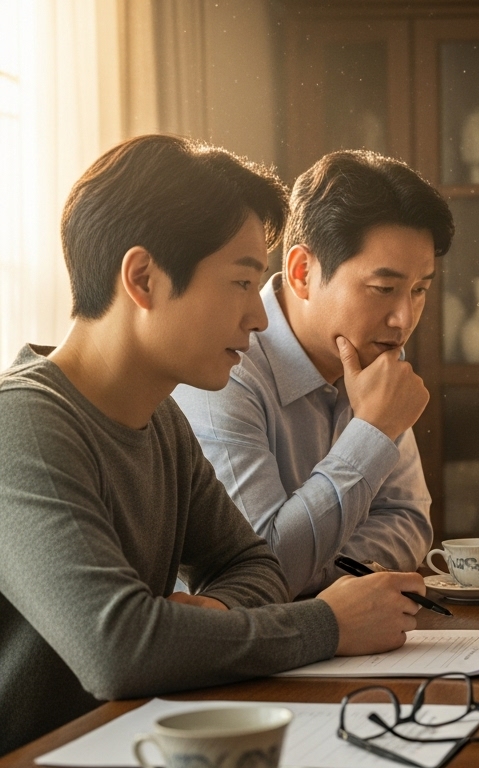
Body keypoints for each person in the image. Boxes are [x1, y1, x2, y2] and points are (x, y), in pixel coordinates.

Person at [0, 136, 427, 754]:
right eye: (241, 282)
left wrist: (208, 618)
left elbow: (253, 565)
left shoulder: (162, 421)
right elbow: (117, 650)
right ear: (143, 278)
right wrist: (328, 624)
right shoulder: (25, 426)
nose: (259, 318)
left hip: (130, 741)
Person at [173, 150, 452, 597]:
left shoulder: (375, 361)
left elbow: (409, 520)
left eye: (419, 290)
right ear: (302, 272)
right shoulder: (222, 364)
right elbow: (261, 566)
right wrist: (372, 430)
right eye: (384, 289)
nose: (404, 318)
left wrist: (317, 575)